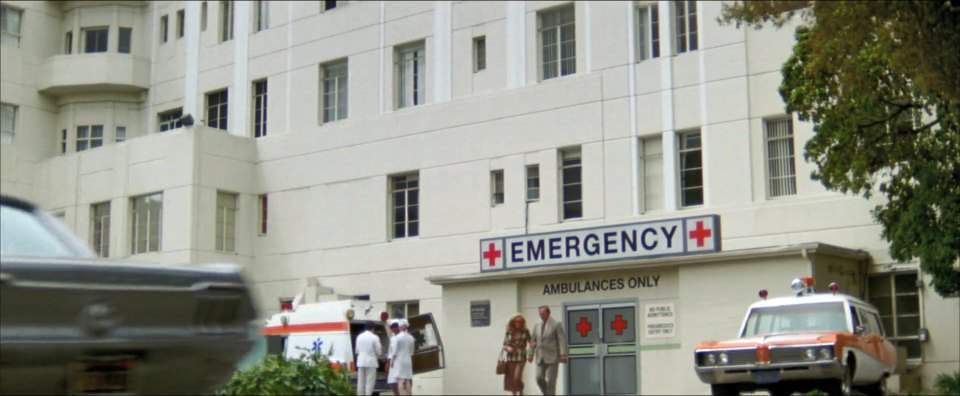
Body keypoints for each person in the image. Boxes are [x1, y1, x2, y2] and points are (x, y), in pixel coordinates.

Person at [530, 305, 567, 396]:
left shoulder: (556, 324)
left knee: (551, 381)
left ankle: (550, 394)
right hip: (540, 356)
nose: (541, 315)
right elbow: (532, 341)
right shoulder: (536, 325)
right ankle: (548, 393)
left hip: (552, 356)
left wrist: (563, 354)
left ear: (548, 313)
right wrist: (530, 354)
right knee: (538, 378)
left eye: (542, 313)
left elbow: (561, 340)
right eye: (539, 313)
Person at [501, 314, 532, 396]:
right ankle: (514, 394)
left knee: (516, 378)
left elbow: (531, 342)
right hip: (511, 358)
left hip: (521, 357)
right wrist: (508, 348)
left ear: (523, 323)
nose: (518, 323)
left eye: (521, 322)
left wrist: (531, 352)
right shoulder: (509, 331)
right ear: (513, 322)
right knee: (511, 380)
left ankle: (521, 390)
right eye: (517, 321)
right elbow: (504, 344)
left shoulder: (526, 331)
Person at [355, 322, 382, 396]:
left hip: (360, 362)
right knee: (369, 383)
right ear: (373, 328)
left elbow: (357, 351)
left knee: (360, 383)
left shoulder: (359, 336)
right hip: (371, 362)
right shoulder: (375, 337)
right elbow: (379, 352)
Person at [393, 319, 415, 395]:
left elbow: (394, 352)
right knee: (408, 379)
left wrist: (392, 361)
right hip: (408, 361)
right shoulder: (411, 338)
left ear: (400, 327)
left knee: (400, 380)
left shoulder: (397, 337)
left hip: (399, 360)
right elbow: (412, 352)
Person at [386, 320, 401, 395]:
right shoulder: (392, 338)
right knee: (392, 381)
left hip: (399, 361)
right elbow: (390, 351)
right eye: (392, 329)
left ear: (398, 328)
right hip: (392, 362)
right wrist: (388, 362)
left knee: (399, 381)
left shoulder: (402, 337)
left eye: (394, 328)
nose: (393, 330)